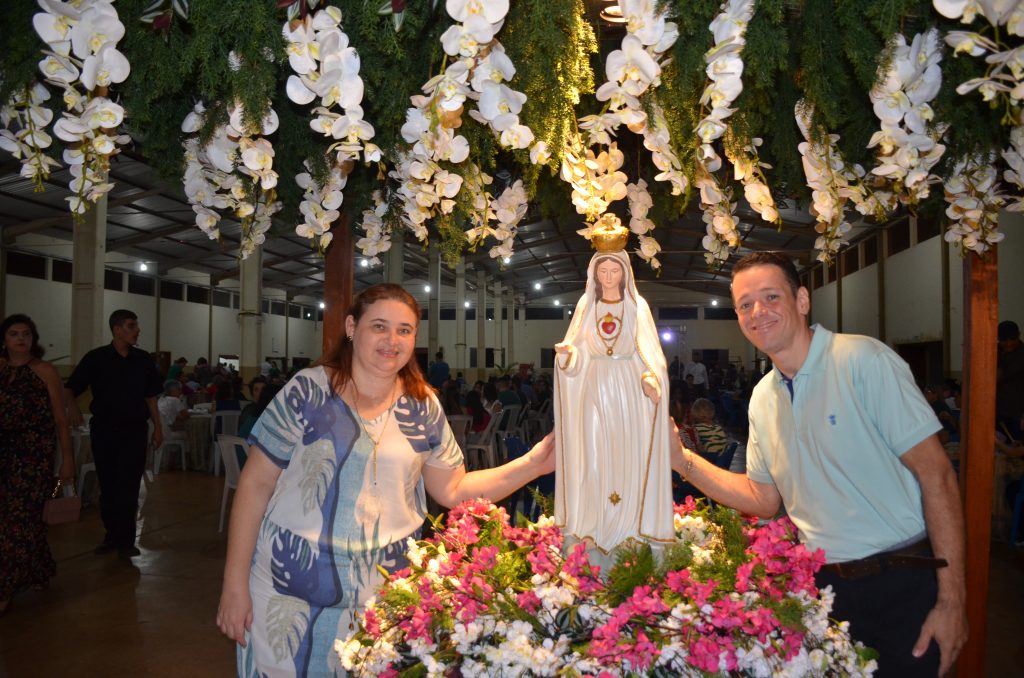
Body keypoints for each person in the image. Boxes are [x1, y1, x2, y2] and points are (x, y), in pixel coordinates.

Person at [216, 284, 554, 676]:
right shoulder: (308, 391)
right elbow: (255, 485)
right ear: (351, 326)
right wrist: (233, 585)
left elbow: (453, 490)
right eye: (379, 326)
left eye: (404, 330)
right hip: (288, 593)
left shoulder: (423, 405)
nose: (392, 340)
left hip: (382, 600)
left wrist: (533, 463)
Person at [672, 252, 966, 677]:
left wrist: (952, 602)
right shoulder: (763, 397)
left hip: (902, 582)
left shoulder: (862, 360)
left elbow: (937, 475)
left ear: (803, 300)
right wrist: (682, 461)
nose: (759, 312)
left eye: (771, 296)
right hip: (825, 592)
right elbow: (763, 499)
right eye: (745, 304)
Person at [553, 244, 674, 557]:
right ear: (594, 273)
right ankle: (593, 525)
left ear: (624, 273)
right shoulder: (586, 304)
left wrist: (651, 378)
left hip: (627, 390)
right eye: (602, 271)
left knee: (626, 455)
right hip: (594, 386)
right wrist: (568, 357)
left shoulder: (637, 307)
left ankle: (628, 528)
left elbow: (650, 355)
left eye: (614, 270)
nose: (608, 277)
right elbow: (576, 351)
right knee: (594, 454)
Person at [65, 310, 163, 560]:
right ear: (117, 329)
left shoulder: (143, 360)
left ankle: (127, 540)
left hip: (134, 430)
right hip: (105, 430)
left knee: (130, 484)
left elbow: (150, 396)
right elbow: (70, 388)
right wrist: (74, 408)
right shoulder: (96, 358)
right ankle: (111, 535)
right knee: (108, 485)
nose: (137, 330)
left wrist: (158, 428)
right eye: (131, 326)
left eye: (136, 325)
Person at [0, 314, 74, 615]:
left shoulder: (44, 371)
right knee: (18, 520)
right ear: (4, 339)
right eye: (14, 333)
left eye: (27, 334)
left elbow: (60, 419)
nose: (21, 339)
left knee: (17, 521)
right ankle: (39, 569)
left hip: (32, 456)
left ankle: (5, 587)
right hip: (3, 452)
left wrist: (66, 460)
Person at [997, 320, 1023, 441]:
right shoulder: (993, 352)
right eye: (1004, 340)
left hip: (1018, 414)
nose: (1008, 343)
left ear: (1019, 335)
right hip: (997, 412)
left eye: (1012, 339)